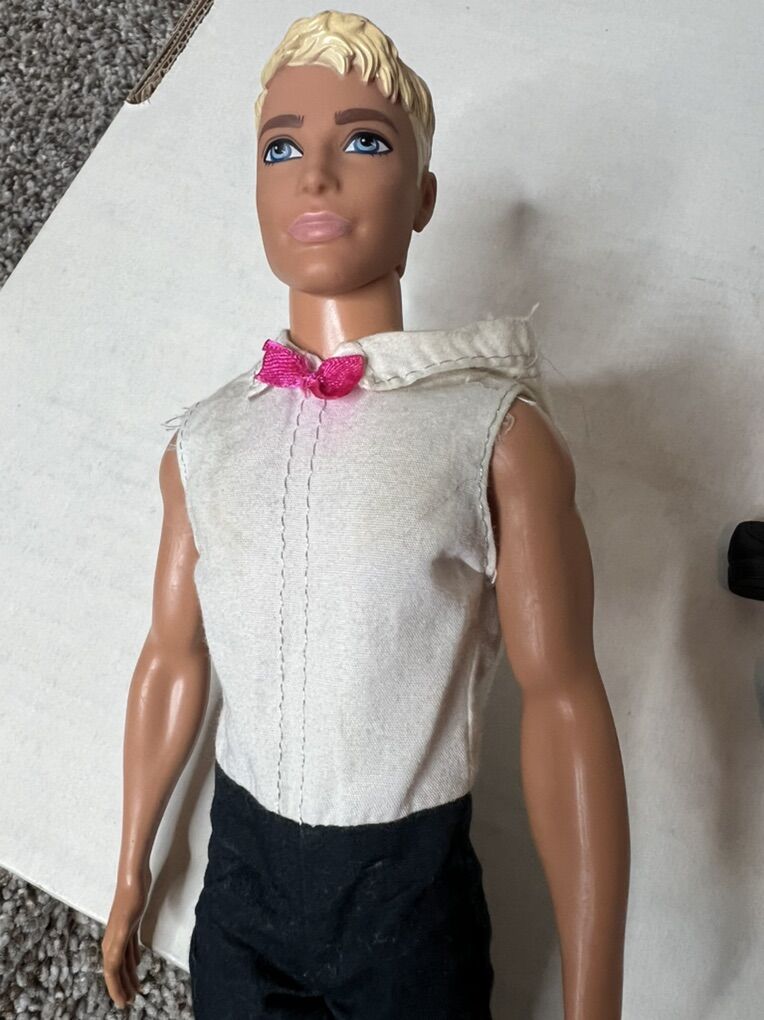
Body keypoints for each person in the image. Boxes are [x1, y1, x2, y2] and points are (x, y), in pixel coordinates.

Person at [102, 10, 630, 1018]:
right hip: (242, 880)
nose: (314, 176)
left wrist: (592, 994)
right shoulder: (204, 443)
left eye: (365, 142)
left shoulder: (491, 435)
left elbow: (565, 696)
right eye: (280, 148)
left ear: (423, 196)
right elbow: (171, 656)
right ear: (256, 189)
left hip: (406, 892)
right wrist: (131, 865)